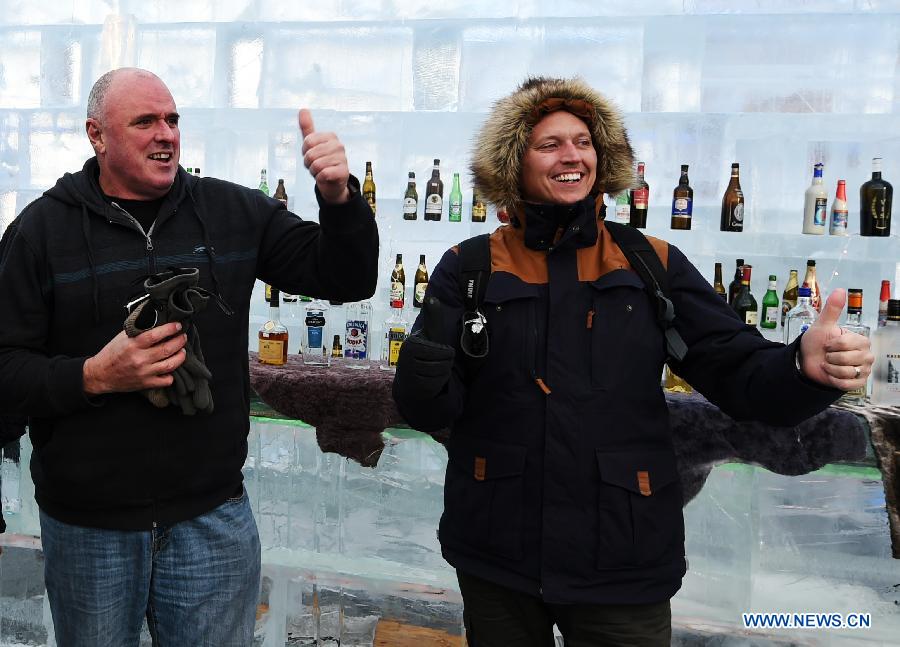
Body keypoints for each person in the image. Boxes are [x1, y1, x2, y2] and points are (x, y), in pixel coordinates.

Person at [392, 76, 873, 646]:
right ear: (512, 164)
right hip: (498, 551)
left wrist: (802, 370)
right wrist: (420, 374)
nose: (572, 155)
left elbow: (740, 374)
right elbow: (433, 406)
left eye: (583, 141)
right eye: (549, 144)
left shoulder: (651, 264)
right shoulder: (468, 266)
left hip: (623, 555)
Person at [0, 68, 378, 646]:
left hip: (212, 519)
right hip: (89, 528)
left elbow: (346, 276)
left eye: (173, 119)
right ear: (97, 136)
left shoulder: (232, 213)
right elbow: (5, 368)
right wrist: (93, 377)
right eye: (145, 121)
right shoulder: (41, 233)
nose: (166, 134)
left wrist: (340, 199)